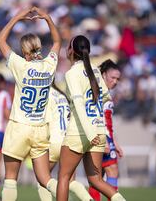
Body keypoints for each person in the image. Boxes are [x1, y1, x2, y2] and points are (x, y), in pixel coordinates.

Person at [0, 6, 61, 201]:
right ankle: (77, 197)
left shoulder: (20, 65)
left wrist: (17, 17)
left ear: (24, 52)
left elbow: (0, 40)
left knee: (10, 179)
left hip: (19, 126)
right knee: (46, 180)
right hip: (41, 128)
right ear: (39, 48)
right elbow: (57, 41)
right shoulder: (50, 65)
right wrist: (48, 18)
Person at [56, 35, 126, 201]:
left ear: (71, 51)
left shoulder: (72, 73)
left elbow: (79, 106)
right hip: (98, 130)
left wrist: (89, 133)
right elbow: (106, 97)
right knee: (96, 180)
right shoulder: (95, 70)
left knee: (64, 177)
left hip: (80, 132)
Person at [37, 83, 93, 201]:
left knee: (42, 179)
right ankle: (88, 199)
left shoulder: (45, 95)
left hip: (53, 141)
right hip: (67, 140)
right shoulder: (62, 95)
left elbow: (43, 121)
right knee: (70, 180)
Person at [88, 60, 123, 201]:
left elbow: (108, 123)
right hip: (101, 137)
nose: (115, 82)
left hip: (107, 138)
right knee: (111, 170)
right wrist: (103, 142)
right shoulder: (98, 93)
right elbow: (96, 118)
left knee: (98, 176)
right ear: (103, 75)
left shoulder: (106, 93)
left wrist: (115, 142)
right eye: (112, 77)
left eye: (118, 79)